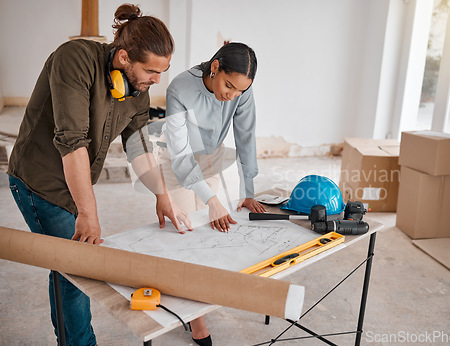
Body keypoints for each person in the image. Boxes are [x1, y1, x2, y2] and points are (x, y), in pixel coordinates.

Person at [7, 4, 193, 345]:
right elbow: (72, 141)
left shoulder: (137, 89)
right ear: (123, 57)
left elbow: (138, 147)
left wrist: (163, 197)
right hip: (40, 180)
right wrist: (88, 213)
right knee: (76, 271)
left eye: (162, 72)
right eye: (152, 71)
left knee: (72, 267)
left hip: (76, 183)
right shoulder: (74, 59)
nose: (157, 80)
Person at [162, 42, 267, 235]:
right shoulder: (179, 89)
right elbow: (180, 154)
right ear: (215, 67)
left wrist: (247, 190)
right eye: (229, 86)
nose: (233, 96)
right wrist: (213, 200)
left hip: (212, 159)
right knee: (184, 229)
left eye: (240, 91)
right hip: (178, 161)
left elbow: (245, 135)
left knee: (206, 229)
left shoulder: (241, 90)